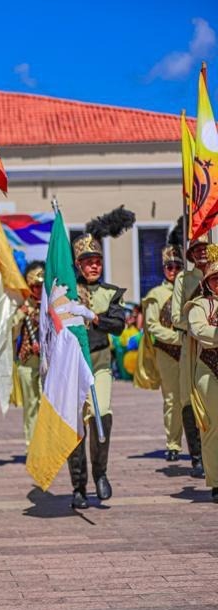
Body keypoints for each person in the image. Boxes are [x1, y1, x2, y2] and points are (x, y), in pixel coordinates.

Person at [67, 206, 134, 509]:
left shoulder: (110, 293)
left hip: (100, 361)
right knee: (76, 426)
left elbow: (118, 326)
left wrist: (94, 317)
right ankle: (78, 485)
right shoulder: (66, 291)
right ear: (78, 265)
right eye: (87, 262)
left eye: (97, 261)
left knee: (101, 414)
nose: (93, 266)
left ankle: (101, 474)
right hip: (72, 365)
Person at [142, 241, 195, 462]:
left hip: (190, 352)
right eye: (169, 266)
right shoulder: (156, 293)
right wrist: (176, 338)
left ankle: (196, 448)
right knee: (172, 399)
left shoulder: (190, 289)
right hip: (166, 352)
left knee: (190, 399)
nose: (173, 270)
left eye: (177, 266)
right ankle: (173, 444)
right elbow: (152, 325)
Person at [170, 229, 208, 478]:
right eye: (197, 249)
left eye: (205, 247)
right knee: (188, 399)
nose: (202, 252)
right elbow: (176, 318)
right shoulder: (184, 279)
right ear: (191, 254)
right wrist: (196, 323)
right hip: (192, 345)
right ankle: (196, 456)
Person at [184, 244, 218, 502]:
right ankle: (216, 481)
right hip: (209, 371)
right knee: (214, 427)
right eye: (215, 278)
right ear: (208, 282)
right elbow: (199, 330)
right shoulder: (200, 305)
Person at [11, 261, 45, 448]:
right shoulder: (23, 306)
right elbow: (13, 333)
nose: (39, 290)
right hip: (27, 362)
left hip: (48, 363)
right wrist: (19, 316)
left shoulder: (52, 306)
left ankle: (47, 443)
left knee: (46, 403)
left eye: (42, 286)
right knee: (31, 405)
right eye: (35, 286)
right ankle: (32, 445)